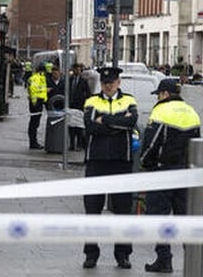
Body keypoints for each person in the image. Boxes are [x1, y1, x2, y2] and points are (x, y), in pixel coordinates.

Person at [140, 78, 201, 273]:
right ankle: (193, 261)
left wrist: (145, 162)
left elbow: (151, 143)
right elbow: (197, 144)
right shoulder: (192, 112)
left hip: (163, 171)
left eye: (158, 94)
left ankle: (164, 259)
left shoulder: (161, 111)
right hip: (185, 172)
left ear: (165, 94)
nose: (157, 97)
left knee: (158, 216)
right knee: (184, 217)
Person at [81, 66, 138, 269]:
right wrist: (116, 125)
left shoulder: (129, 100)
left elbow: (131, 123)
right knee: (92, 211)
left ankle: (123, 254)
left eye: (111, 82)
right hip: (96, 162)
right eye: (105, 83)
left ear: (118, 82)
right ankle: (91, 254)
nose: (108, 86)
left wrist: (104, 120)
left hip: (121, 162)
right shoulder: (92, 101)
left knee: (123, 211)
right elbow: (90, 126)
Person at [67, 62, 92, 150]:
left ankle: (79, 144)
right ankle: (72, 144)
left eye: (78, 69)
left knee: (79, 126)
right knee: (71, 126)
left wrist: (86, 105)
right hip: (70, 105)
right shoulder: (69, 80)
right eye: (75, 69)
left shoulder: (83, 81)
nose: (77, 71)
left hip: (79, 106)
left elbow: (88, 94)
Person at [26, 63, 48, 149]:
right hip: (36, 102)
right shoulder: (36, 78)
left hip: (39, 102)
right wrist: (34, 102)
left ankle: (34, 142)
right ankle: (33, 143)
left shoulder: (40, 77)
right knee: (34, 123)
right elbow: (33, 90)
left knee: (35, 123)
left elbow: (41, 89)